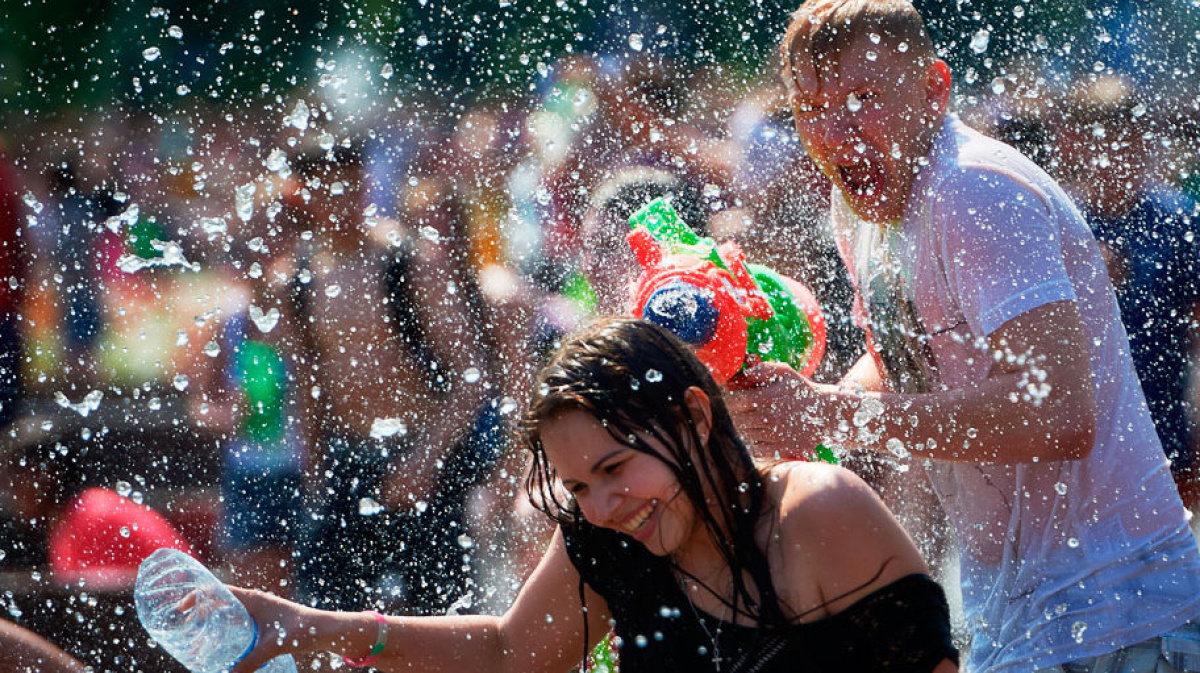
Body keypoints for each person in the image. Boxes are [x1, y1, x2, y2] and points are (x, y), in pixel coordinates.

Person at [725, 1, 1200, 671]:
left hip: (1120, 616)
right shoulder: (861, 204)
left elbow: (1058, 413)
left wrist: (835, 414)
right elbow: (909, 363)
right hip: (1026, 620)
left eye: (864, 97)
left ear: (935, 88)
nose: (837, 133)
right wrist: (807, 406)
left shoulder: (974, 191)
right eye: (811, 109)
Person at [225, 317, 958, 673]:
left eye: (614, 468)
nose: (602, 504)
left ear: (695, 418)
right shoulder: (611, 538)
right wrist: (311, 626)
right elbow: (510, 652)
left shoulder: (816, 515)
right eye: (577, 485)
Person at [1057, 75, 1200, 510]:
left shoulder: (1178, 223)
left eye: (1130, 139)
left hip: (1164, 439)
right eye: (1103, 141)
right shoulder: (1058, 221)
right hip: (1081, 449)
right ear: (1073, 145)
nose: (1118, 157)